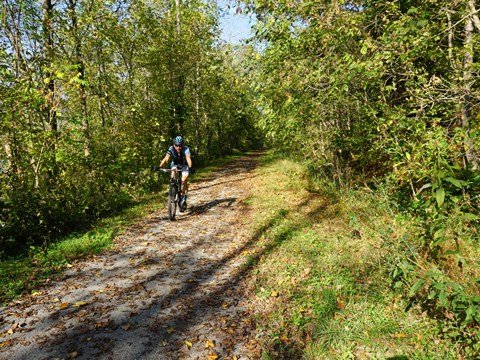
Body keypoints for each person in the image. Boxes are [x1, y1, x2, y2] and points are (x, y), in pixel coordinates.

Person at [158, 136, 193, 211]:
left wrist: (190, 167)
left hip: (184, 165)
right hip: (175, 165)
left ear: (182, 145)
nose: (178, 147)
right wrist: (159, 166)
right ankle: (173, 190)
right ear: (174, 145)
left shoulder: (186, 149)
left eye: (180, 145)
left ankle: (184, 198)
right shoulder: (171, 148)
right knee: (172, 178)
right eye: (176, 145)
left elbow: (188, 159)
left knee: (184, 181)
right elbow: (166, 158)